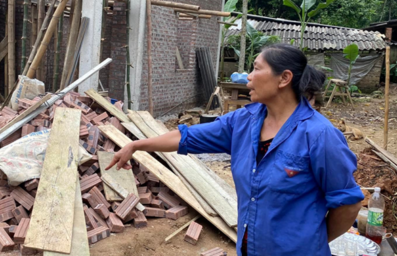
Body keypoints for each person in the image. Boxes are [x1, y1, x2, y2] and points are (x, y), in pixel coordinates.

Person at [106, 44, 364, 256]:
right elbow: (187, 137)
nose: (248, 76)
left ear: (284, 78)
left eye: (256, 69)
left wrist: (311, 243)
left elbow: (348, 204)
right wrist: (137, 145)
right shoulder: (243, 122)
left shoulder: (319, 135)